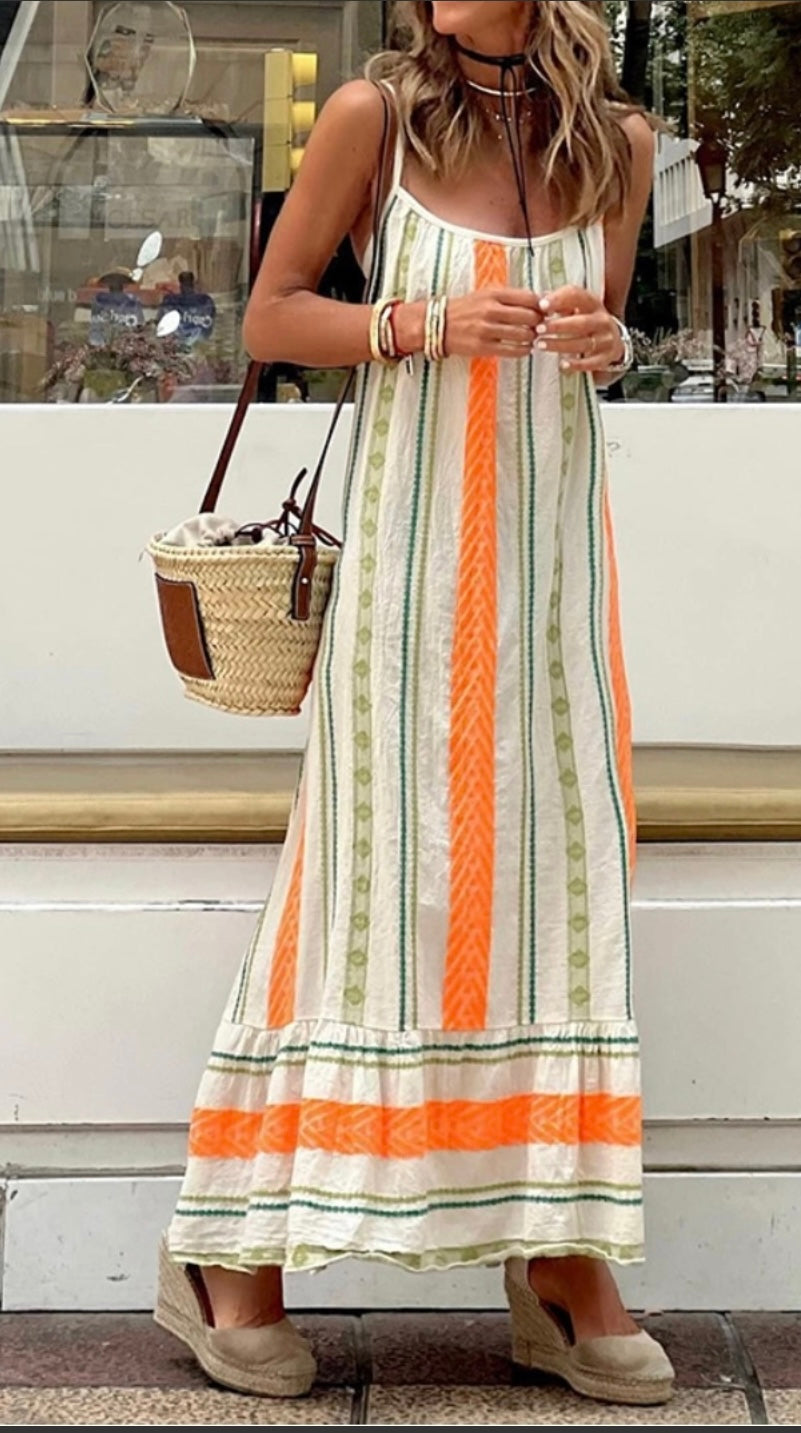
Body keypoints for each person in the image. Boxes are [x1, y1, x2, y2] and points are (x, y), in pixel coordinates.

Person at [154, 0, 675, 1408]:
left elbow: (605, 332)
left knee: (557, 889)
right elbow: (272, 316)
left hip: (552, 585)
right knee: (365, 895)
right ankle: (229, 1248)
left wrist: (604, 343)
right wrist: (421, 319)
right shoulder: (371, 117)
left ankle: (560, 1256)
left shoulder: (615, 144)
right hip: (406, 579)